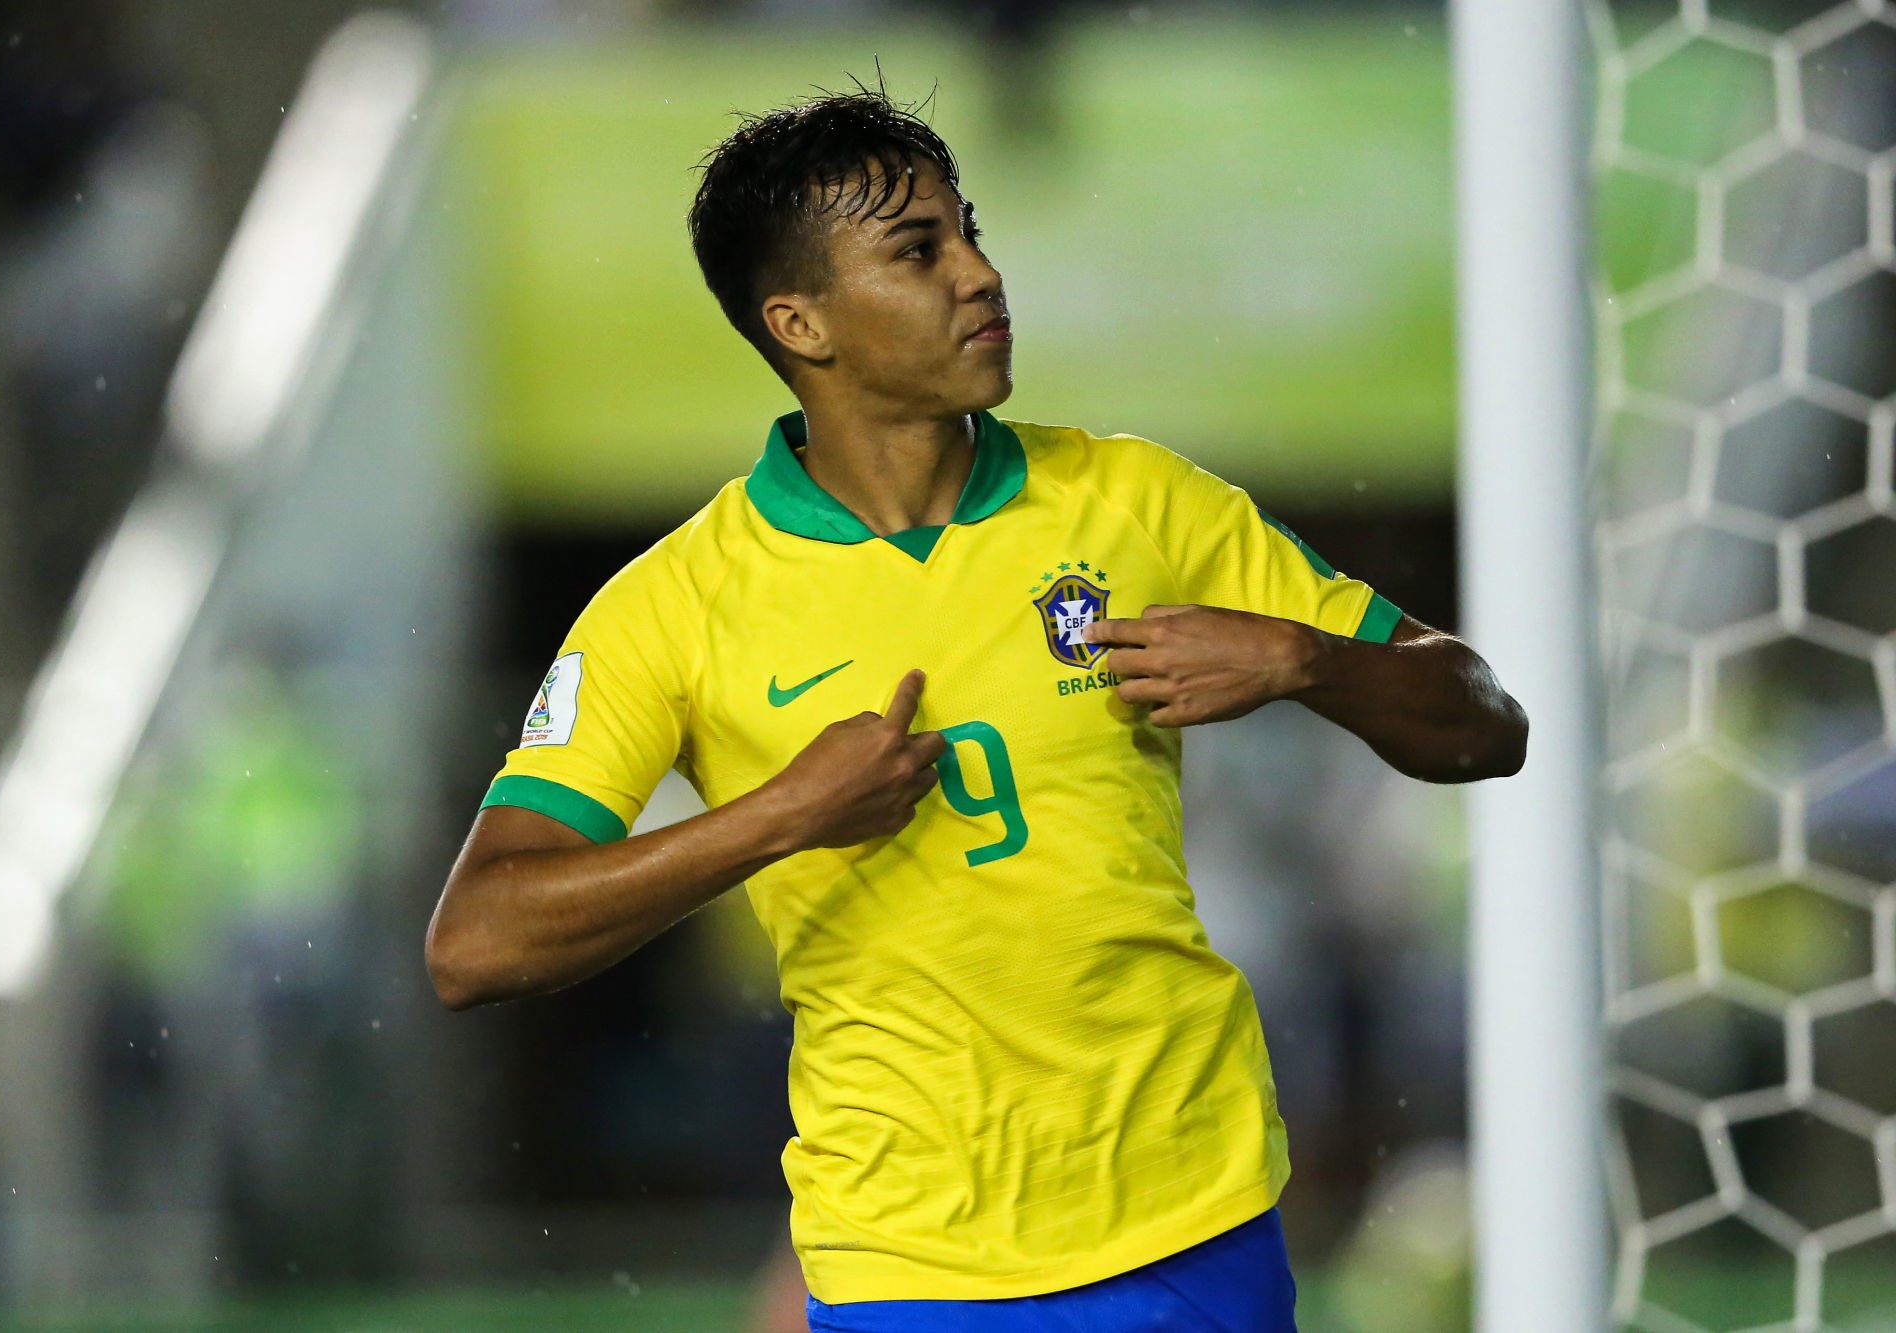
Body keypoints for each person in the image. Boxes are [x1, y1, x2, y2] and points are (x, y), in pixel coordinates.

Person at [425, 86, 1526, 1333]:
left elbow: (1486, 722)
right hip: (913, 1263)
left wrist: (1302, 659)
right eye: (918, 251)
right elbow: (475, 943)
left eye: (969, 231)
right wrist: (779, 817)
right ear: (801, 322)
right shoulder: (673, 607)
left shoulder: (1135, 502)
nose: (980, 275)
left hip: (1189, 1218)